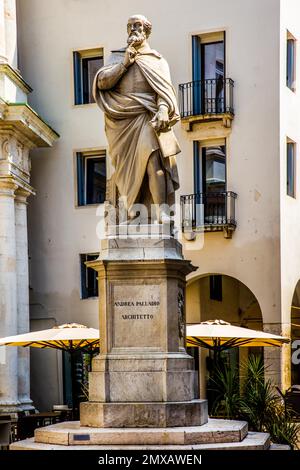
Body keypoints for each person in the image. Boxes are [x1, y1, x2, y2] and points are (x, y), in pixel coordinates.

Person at [93, 14, 181, 223]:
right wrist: (124, 64)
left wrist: (161, 109)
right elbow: (102, 83)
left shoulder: (156, 60)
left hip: (147, 116)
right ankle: (132, 210)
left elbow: (164, 92)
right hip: (121, 122)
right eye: (130, 26)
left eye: (138, 25)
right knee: (126, 169)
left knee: (153, 160)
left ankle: (160, 211)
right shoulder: (117, 57)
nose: (133, 29)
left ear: (147, 30)